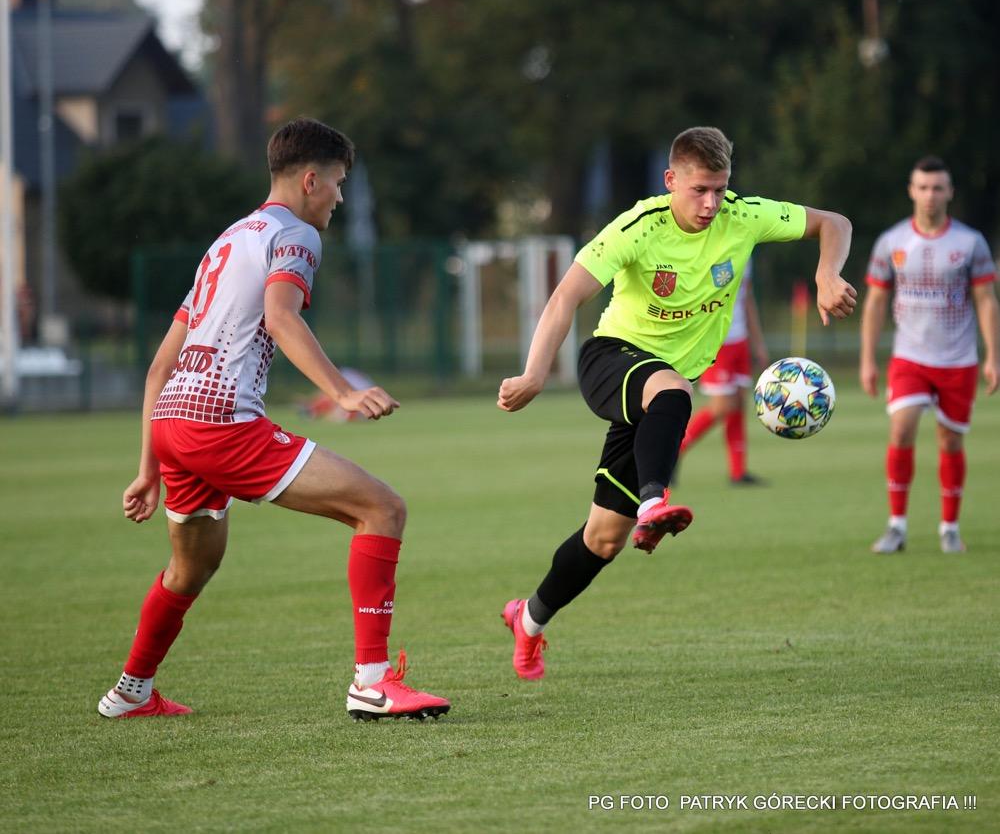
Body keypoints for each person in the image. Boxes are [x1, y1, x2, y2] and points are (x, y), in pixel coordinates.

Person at [98, 117, 449, 721]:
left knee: (191, 567)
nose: (339, 197)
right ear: (310, 180)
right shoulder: (296, 234)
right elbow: (281, 317)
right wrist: (342, 392)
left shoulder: (228, 240)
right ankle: (372, 684)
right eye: (337, 183)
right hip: (221, 425)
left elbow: (160, 366)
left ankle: (130, 692)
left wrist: (149, 468)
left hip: (174, 422)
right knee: (382, 509)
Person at [497, 126, 855, 681]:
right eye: (699, 190)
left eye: (720, 189)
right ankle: (653, 504)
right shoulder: (638, 226)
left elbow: (835, 222)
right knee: (673, 390)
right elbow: (566, 295)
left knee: (603, 539)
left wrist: (827, 272)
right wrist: (535, 373)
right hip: (612, 359)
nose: (711, 203)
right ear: (671, 181)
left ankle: (529, 619)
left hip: (659, 395)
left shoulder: (744, 215)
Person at [860, 155, 999, 555]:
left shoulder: (970, 243)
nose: (930, 195)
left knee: (950, 441)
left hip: (958, 359)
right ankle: (896, 526)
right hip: (910, 357)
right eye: (923, 187)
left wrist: (993, 355)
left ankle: (950, 528)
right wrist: (868, 359)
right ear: (911, 191)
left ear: (949, 192)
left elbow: (986, 300)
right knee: (901, 430)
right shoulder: (892, 241)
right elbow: (875, 302)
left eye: (938, 188)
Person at [678, 257, 769, 484]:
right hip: (717, 341)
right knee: (722, 406)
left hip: (740, 339)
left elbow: (747, 298)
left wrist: (757, 342)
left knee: (738, 402)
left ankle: (738, 471)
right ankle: (674, 450)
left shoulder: (745, 252)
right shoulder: (708, 253)